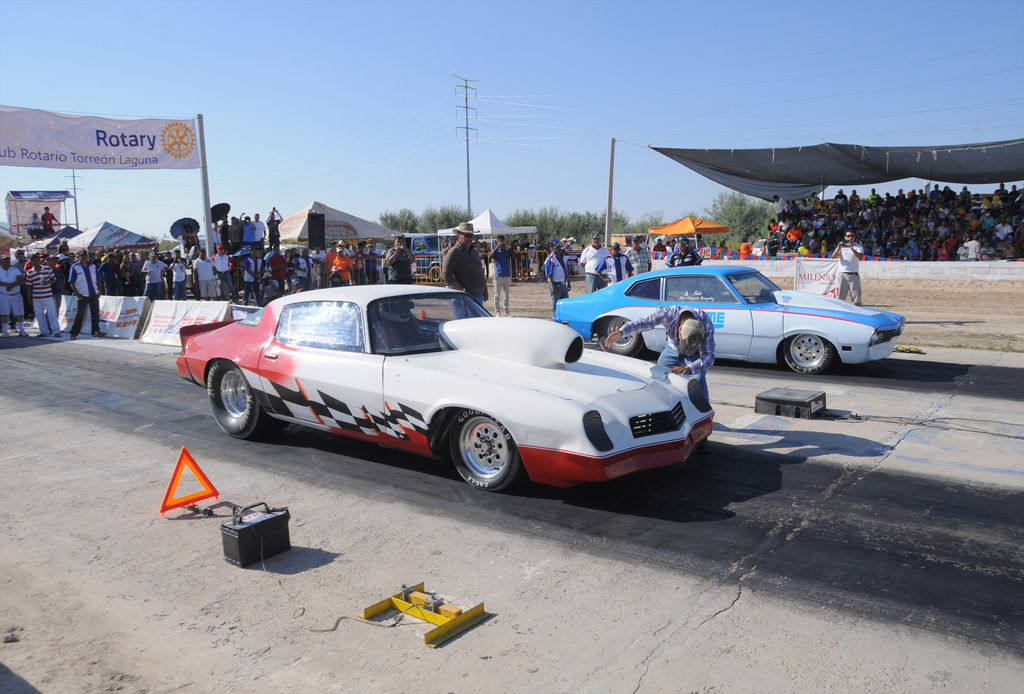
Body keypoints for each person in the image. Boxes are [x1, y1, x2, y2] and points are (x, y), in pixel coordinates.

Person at [603, 304, 716, 408]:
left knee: (697, 380)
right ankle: (662, 407)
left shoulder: (705, 322)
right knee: (659, 375)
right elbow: (644, 323)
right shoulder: (668, 314)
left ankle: (703, 411)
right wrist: (622, 332)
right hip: (673, 349)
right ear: (680, 329)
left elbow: (708, 357)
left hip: (695, 353)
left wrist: (690, 369)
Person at [441, 222, 487, 307]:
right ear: (459, 235)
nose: (470, 238)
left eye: (471, 236)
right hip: (461, 297)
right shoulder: (453, 252)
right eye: (467, 235)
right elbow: (446, 275)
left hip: (477, 295)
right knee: (462, 316)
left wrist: (484, 290)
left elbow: (480, 271)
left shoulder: (474, 252)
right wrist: (462, 290)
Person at [67, 250, 104, 339]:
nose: (84, 257)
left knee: (95, 313)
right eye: (82, 255)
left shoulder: (93, 266)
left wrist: (99, 290)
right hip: (82, 294)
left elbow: (98, 279)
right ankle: (74, 333)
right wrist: (77, 294)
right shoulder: (75, 267)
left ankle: (96, 330)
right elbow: (71, 282)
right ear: (78, 257)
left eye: (85, 255)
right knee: (80, 315)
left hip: (93, 293)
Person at [26, 253, 61, 337]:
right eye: (35, 261)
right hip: (36, 297)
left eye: (38, 260)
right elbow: (29, 286)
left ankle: (56, 331)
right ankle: (44, 332)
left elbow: (54, 279)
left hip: (48, 296)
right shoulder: (29, 272)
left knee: (52, 314)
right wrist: (29, 298)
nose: (37, 262)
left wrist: (47, 282)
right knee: (39, 315)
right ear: (32, 262)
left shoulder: (47, 269)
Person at [832, 229, 864, 306]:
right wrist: (838, 248)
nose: (850, 237)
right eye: (848, 236)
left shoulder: (858, 246)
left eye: (852, 236)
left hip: (854, 274)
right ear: (845, 237)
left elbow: (860, 257)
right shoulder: (841, 246)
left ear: (854, 237)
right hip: (842, 274)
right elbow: (833, 256)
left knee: (857, 299)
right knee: (839, 299)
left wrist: (852, 249)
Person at [0, 253, 28, 337]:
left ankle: (22, 330)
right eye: (5, 260)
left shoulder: (14, 269)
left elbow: (20, 280)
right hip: (4, 295)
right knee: (4, 313)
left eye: (8, 260)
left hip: (16, 294)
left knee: (19, 313)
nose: (7, 261)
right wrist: (7, 285)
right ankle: (5, 331)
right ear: (1, 261)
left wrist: (12, 286)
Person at [543, 243, 571, 317]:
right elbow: (549, 275)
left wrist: (568, 282)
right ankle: (556, 318)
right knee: (556, 304)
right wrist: (553, 287)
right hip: (555, 284)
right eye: (558, 248)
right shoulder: (550, 259)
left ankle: (564, 318)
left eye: (560, 248)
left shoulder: (564, 257)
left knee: (565, 303)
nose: (560, 250)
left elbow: (566, 271)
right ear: (553, 249)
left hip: (563, 284)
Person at [491, 235, 513, 316]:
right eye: (500, 241)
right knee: (497, 295)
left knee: (506, 295)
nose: (502, 243)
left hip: (507, 275)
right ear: (497, 242)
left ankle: (506, 312)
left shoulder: (507, 251)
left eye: (503, 241)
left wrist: (510, 248)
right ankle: (497, 312)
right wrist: (496, 248)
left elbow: (515, 256)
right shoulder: (496, 251)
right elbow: (490, 256)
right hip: (498, 275)